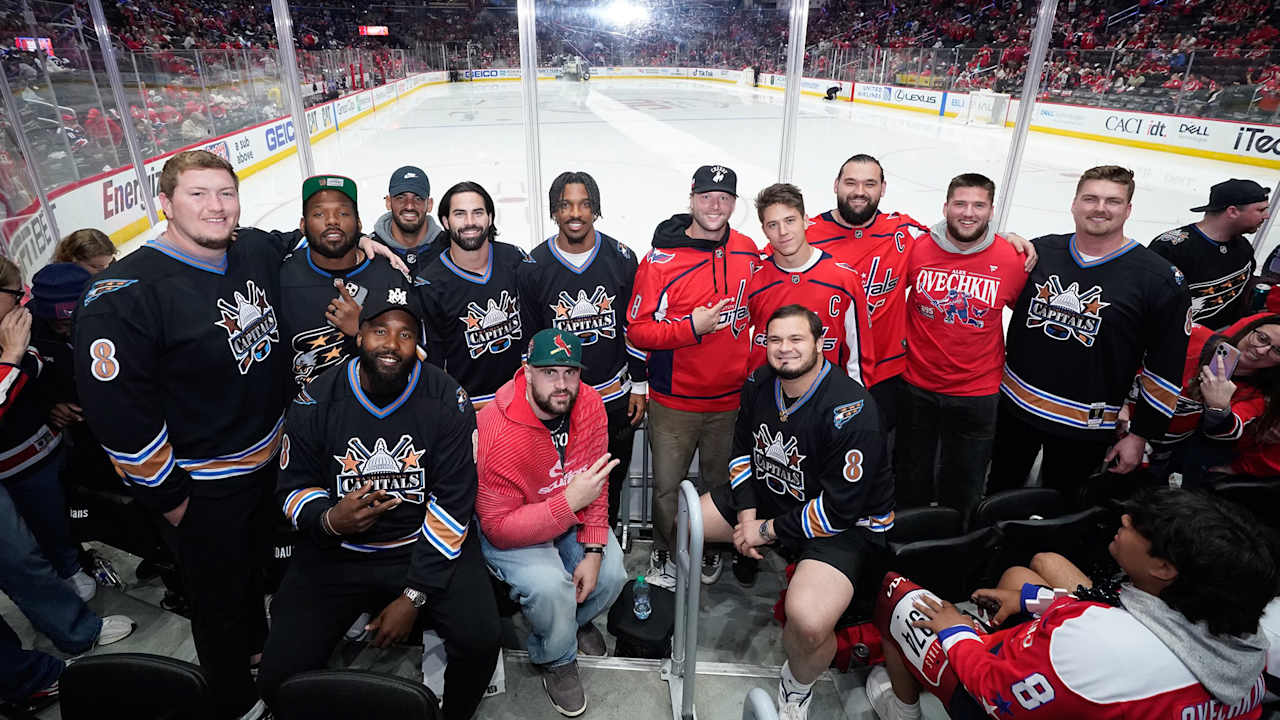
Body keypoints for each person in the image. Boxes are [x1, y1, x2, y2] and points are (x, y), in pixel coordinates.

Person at [73, 149, 302, 720]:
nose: (215, 207)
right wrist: (172, 500)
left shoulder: (247, 249)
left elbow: (294, 240)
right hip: (201, 490)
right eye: (198, 194)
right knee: (217, 603)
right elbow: (118, 415)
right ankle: (237, 701)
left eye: (225, 193)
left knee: (251, 579)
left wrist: (368, 244)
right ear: (165, 204)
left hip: (263, 469)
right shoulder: (123, 295)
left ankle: (256, 655)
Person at [260, 291, 499, 720]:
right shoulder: (316, 398)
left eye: (405, 334)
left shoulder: (447, 398)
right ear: (359, 335)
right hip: (337, 553)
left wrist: (414, 595)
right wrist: (330, 520)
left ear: (417, 345)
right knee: (277, 677)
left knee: (481, 638)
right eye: (379, 330)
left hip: (420, 547)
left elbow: (454, 504)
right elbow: (292, 489)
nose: (391, 344)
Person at [865, 488, 1275, 719]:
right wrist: (1035, 600)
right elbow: (1127, 614)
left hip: (1009, 696)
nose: (1126, 521)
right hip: (1114, 687)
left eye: (1140, 527)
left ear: (1165, 568)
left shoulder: (1092, 642)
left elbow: (995, 693)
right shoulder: (1241, 633)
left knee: (899, 596)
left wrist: (954, 629)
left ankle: (901, 709)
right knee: (1022, 579)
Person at [699, 304, 893, 720]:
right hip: (779, 495)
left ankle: (798, 686)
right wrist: (748, 516)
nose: (784, 349)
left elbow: (839, 511)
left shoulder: (853, 410)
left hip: (846, 525)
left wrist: (763, 531)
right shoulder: (759, 382)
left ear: (822, 343)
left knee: (805, 622)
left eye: (796, 339)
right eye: (774, 340)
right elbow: (741, 455)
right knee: (690, 522)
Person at [987, 166, 1191, 503]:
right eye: (1090, 198)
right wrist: (1000, 244)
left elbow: (1165, 367)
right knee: (998, 491)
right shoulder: (1039, 254)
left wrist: (1141, 435)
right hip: (1014, 409)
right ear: (1074, 204)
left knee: (1061, 506)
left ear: (1128, 210)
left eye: (1113, 201)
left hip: (1086, 426)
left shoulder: (1160, 279)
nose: (1100, 208)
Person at [807, 155, 1036, 432]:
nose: (859, 191)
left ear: (883, 189)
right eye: (850, 182)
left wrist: (1004, 239)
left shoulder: (906, 233)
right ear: (835, 185)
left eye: (870, 183)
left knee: (882, 458)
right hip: (821, 370)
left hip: (886, 376)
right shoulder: (807, 234)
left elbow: (957, 235)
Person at [1, 256, 136, 709]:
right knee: (22, 553)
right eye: (13, 294)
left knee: (37, 539)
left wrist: (36, 388)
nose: (20, 303)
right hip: (17, 461)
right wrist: (12, 359)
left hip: (42, 453)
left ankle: (69, 613)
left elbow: (38, 371)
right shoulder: (23, 335)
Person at [475, 328, 627, 717]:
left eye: (570, 372)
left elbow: (596, 482)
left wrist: (593, 550)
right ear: (526, 372)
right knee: (551, 588)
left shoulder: (589, 403)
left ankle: (568, 626)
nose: (562, 384)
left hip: (567, 516)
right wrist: (568, 502)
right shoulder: (497, 426)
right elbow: (497, 527)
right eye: (549, 372)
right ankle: (557, 657)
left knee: (611, 573)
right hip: (516, 532)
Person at [627, 164, 758, 588]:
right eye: (706, 196)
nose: (715, 205)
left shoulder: (749, 251)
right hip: (675, 401)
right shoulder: (660, 261)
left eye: (724, 198)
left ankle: (710, 550)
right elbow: (638, 329)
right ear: (692, 198)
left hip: (731, 401)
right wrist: (690, 329)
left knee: (722, 485)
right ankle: (665, 552)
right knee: (667, 488)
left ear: (735, 203)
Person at [518, 171, 647, 532]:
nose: (575, 213)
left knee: (610, 477)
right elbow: (529, 339)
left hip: (614, 397)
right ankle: (559, 540)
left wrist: (639, 385)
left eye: (584, 204)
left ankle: (604, 540)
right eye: (565, 205)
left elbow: (631, 329)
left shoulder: (621, 258)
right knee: (559, 480)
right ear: (554, 212)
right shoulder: (534, 266)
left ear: (596, 209)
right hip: (557, 400)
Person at [896, 174, 1028, 520]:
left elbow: (1031, 319)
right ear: (945, 207)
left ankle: (954, 555)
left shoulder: (1011, 257)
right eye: (960, 203)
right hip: (916, 387)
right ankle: (904, 557)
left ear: (991, 210)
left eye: (978, 205)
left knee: (963, 489)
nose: (968, 213)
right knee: (911, 482)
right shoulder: (918, 247)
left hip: (977, 393)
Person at [279, 174, 417, 390]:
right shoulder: (282, 276)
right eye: (319, 213)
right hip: (307, 416)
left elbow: (418, 357)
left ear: (359, 223)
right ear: (303, 226)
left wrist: (363, 330)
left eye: (343, 213)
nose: (332, 220)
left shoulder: (390, 276)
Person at [746, 182, 875, 387]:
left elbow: (859, 356)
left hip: (824, 397)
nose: (783, 232)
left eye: (790, 221)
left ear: (806, 221)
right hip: (764, 397)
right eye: (773, 225)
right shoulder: (754, 278)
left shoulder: (844, 279)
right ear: (764, 230)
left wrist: (856, 401)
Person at [418, 181, 532, 411]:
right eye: (460, 214)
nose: (470, 222)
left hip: (525, 401)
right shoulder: (429, 284)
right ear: (445, 221)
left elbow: (536, 329)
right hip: (471, 410)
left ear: (490, 218)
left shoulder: (515, 260)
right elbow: (434, 366)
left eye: (477, 213)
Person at [1143, 312, 1280, 486]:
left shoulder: (1254, 396)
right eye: (1261, 338)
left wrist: (1219, 407)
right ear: (1248, 330)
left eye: (1277, 350)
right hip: (1119, 417)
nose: (1262, 351)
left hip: (1165, 449)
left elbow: (1230, 430)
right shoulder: (1195, 337)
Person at [1150, 179, 1270, 329]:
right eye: (1260, 210)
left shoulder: (1243, 247)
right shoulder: (1171, 249)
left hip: (1218, 342)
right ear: (1232, 211)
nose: (1267, 216)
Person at [371, 165, 448, 280]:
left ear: (430, 204)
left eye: (418, 198)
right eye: (401, 197)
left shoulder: (448, 247)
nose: (409, 206)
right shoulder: (371, 248)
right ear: (388, 202)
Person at [51, 228, 115, 275]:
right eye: (95, 267)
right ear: (73, 260)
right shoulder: (65, 285)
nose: (105, 271)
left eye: (108, 264)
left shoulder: (113, 265)